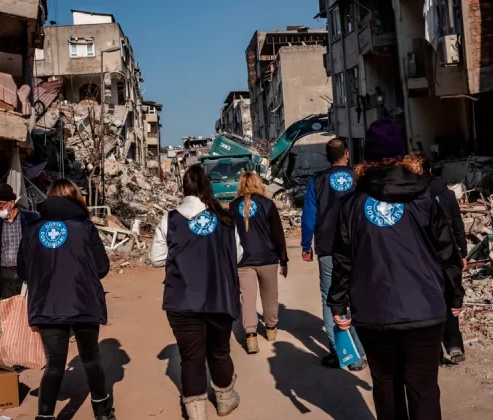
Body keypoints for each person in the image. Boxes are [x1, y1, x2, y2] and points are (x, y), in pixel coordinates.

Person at [328, 119, 464, 420]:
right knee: (424, 387)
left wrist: (338, 302)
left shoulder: (352, 204)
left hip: (373, 310)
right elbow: (447, 251)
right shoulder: (425, 195)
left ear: (368, 157)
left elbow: (343, 259)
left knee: (386, 385)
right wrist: (455, 295)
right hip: (426, 309)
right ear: (402, 153)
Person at [150, 165, 243, 420]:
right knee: (219, 350)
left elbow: (156, 258)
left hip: (182, 300)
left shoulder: (170, 219)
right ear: (208, 187)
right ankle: (224, 400)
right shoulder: (225, 219)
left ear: (184, 188)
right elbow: (238, 255)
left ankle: (196, 412)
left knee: (191, 358)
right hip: (218, 296)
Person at [17, 179, 114, 420]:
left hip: (47, 305)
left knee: (54, 365)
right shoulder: (85, 228)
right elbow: (102, 268)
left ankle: (45, 417)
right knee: (91, 360)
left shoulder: (32, 230)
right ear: (74, 198)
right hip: (84, 302)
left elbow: (23, 271)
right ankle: (103, 414)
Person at [300, 137, 366, 371]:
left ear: (328, 158)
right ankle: (361, 352)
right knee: (356, 296)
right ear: (347, 154)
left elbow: (309, 216)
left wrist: (306, 245)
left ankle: (342, 353)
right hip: (357, 246)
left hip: (328, 247)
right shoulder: (359, 177)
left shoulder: (317, 181)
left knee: (330, 298)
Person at [229, 172, 288, 354]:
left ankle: (251, 336)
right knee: (270, 296)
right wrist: (283, 259)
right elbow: (278, 234)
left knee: (247, 298)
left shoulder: (233, 206)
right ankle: (271, 329)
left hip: (243, 260)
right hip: (267, 258)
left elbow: (229, 237)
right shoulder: (267, 204)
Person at [426, 160, 469, 364]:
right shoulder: (448, 194)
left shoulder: (417, 198)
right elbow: (458, 226)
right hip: (449, 252)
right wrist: (463, 253)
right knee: (451, 298)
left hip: (427, 255)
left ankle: (434, 350)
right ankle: (454, 345)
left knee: (431, 302)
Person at [0, 183, 39, 303]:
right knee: (10, 311)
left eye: (0, 205)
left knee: (28, 308)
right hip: (6, 276)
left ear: (12, 203)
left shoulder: (32, 220)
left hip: (27, 273)